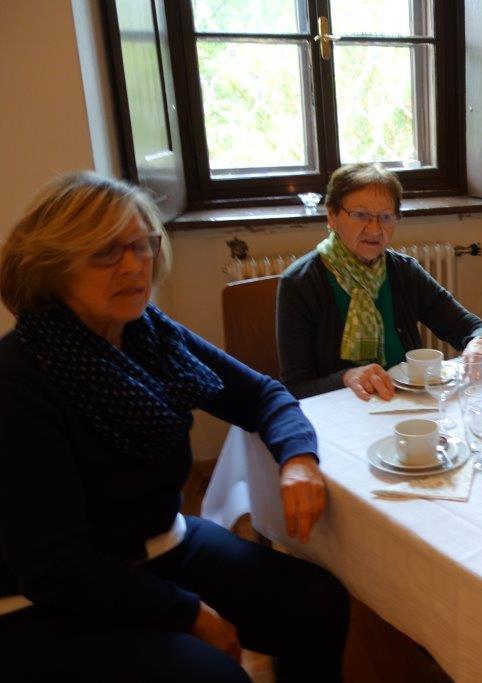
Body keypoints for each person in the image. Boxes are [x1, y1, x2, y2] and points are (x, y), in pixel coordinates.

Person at [0, 173, 347, 681]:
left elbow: (262, 394)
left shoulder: (148, 333)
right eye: (107, 252)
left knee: (316, 602)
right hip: (43, 598)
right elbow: (55, 566)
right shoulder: (19, 380)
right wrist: (188, 613)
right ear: (52, 266)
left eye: (143, 244)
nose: (134, 265)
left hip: (159, 543)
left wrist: (298, 458)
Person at [277, 162, 482, 400]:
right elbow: (296, 388)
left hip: (403, 405)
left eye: (385, 217)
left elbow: (472, 327)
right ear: (332, 215)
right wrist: (345, 378)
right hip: (339, 410)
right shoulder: (300, 283)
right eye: (360, 215)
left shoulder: (404, 272)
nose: (374, 229)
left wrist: (480, 343)